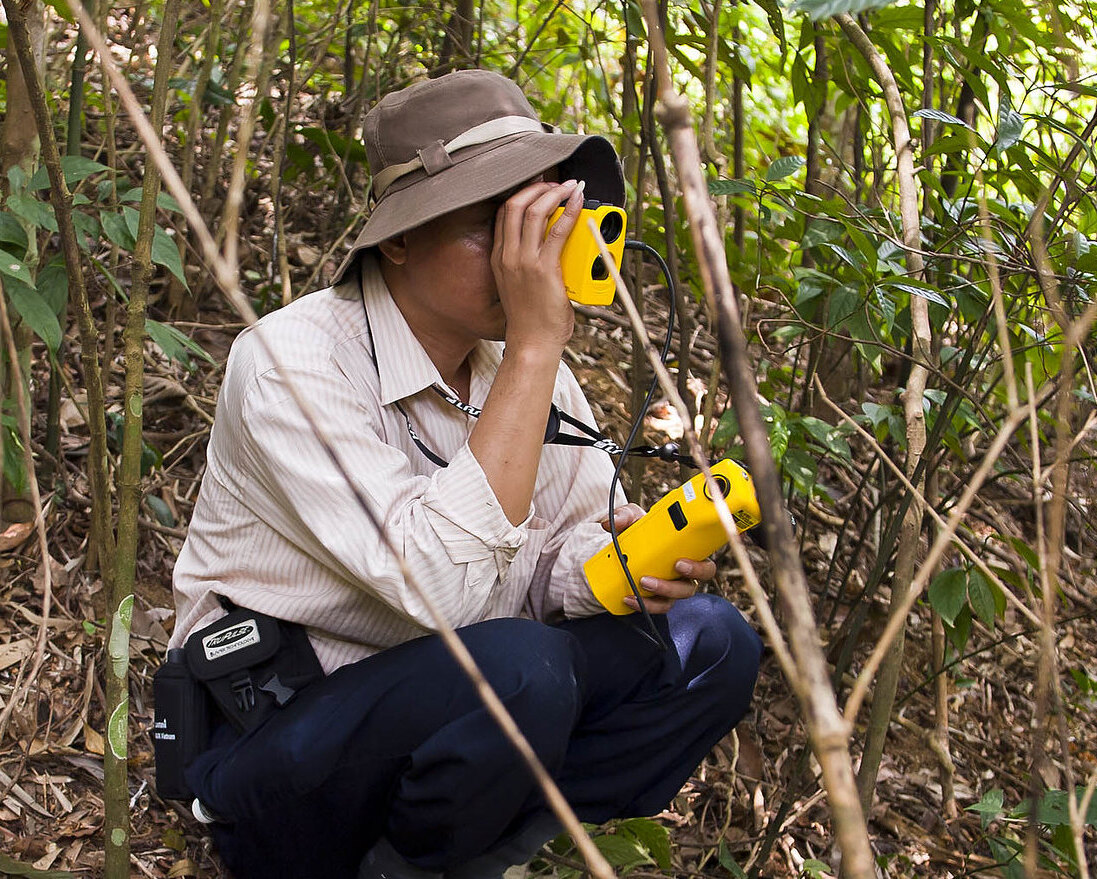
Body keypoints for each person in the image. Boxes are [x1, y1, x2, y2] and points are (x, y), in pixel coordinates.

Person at [165, 69, 762, 879]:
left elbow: (547, 567)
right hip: (278, 745)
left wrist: (618, 564)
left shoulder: (516, 365)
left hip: (452, 716)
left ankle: (467, 854)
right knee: (525, 668)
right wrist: (535, 348)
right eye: (496, 228)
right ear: (399, 238)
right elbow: (440, 590)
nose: (527, 262)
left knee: (709, 645)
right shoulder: (291, 360)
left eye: (540, 228)